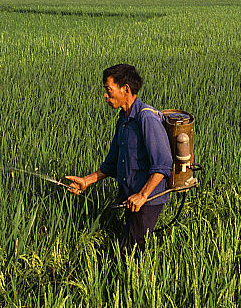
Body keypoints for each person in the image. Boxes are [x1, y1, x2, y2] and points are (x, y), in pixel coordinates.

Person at [65, 64, 173, 256]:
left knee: (128, 253)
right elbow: (112, 164)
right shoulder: (123, 120)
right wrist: (86, 181)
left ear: (126, 89)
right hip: (131, 198)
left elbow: (163, 165)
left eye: (108, 90)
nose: (105, 96)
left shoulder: (146, 118)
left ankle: (137, 284)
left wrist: (143, 195)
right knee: (131, 249)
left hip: (147, 200)